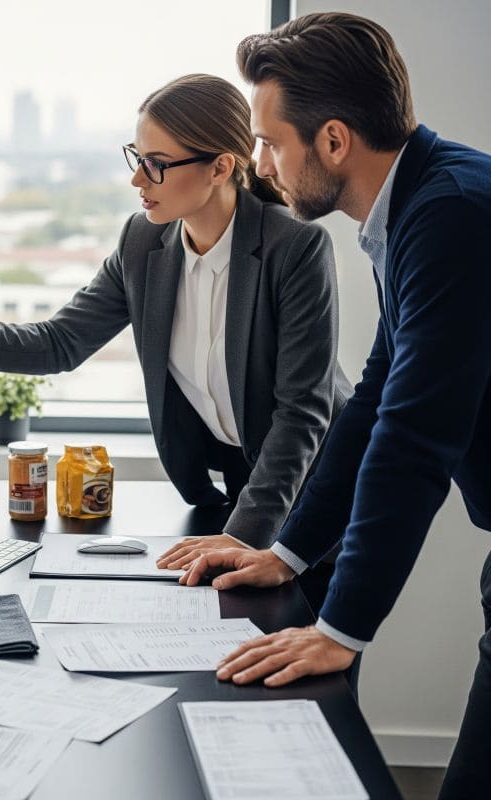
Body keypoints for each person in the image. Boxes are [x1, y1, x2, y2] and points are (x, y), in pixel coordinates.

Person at [170, 14, 491, 798]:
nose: (261, 164)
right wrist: (287, 552)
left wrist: (340, 631)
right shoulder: (420, 203)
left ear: (336, 140)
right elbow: (378, 395)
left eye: (273, 142)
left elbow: (412, 439)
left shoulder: (447, 214)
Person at [0, 73, 349, 570]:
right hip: (239, 489)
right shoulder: (143, 244)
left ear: (220, 167)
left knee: (297, 639)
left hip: (319, 493)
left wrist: (242, 537)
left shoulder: (296, 249)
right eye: (137, 157)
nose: (137, 180)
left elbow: (300, 415)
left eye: (157, 165)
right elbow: (60, 342)